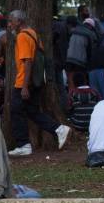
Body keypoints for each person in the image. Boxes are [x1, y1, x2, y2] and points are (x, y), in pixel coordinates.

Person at [6, 10, 71, 157]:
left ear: (18, 22)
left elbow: (28, 62)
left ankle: (23, 144)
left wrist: (24, 86)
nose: (9, 24)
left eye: (11, 21)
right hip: (36, 81)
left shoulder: (22, 36)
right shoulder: (32, 33)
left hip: (24, 82)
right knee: (32, 111)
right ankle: (59, 129)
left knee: (15, 110)